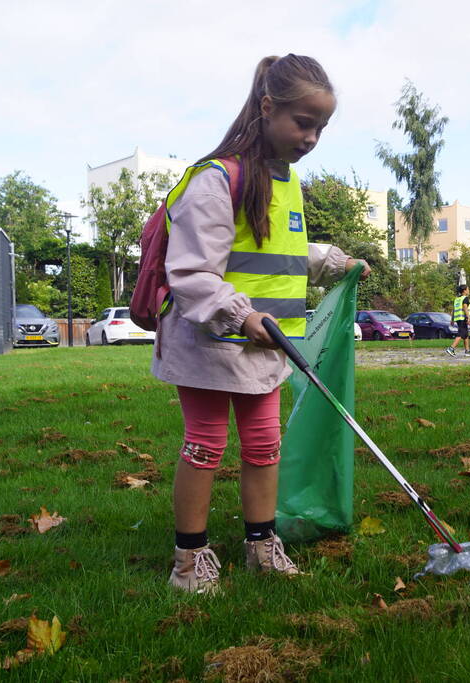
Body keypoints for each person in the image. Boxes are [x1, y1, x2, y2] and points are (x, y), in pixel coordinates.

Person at [151, 54, 370, 594]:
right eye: (303, 122)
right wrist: (241, 314)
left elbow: (282, 252)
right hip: (208, 340)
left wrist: (333, 262)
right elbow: (192, 271)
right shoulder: (215, 178)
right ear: (268, 107)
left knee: (265, 444)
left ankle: (261, 543)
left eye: (321, 127)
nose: (312, 137)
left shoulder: (286, 182)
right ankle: (188, 559)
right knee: (204, 443)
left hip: (265, 346)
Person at [446, 284, 470, 356]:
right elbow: (465, 308)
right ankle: (451, 348)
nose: (468, 290)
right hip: (463, 318)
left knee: (465, 335)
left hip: (458, 318)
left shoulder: (457, 299)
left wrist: (452, 320)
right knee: (461, 334)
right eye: (468, 289)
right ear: (464, 291)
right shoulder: (465, 298)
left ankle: (467, 351)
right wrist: (469, 317)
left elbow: (454, 310)